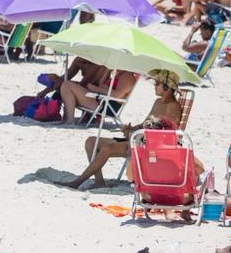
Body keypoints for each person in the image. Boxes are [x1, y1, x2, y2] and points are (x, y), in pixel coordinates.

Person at [63, 70, 203, 192]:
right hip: (138, 139)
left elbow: (167, 133)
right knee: (91, 142)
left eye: (157, 84)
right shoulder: (158, 102)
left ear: (166, 87)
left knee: (106, 148)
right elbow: (146, 124)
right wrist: (132, 129)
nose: (154, 86)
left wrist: (137, 133)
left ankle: (78, 182)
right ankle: (99, 181)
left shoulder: (173, 107)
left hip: (147, 146)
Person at [59, 66, 137, 125]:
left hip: (107, 106)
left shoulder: (127, 76)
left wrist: (96, 89)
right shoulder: (119, 73)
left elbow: (117, 95)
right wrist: (108, 70)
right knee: (66, 85)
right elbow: (101, 84)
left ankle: (69, 120)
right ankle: (67, 119)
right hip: (101, 100)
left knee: (67, 85)